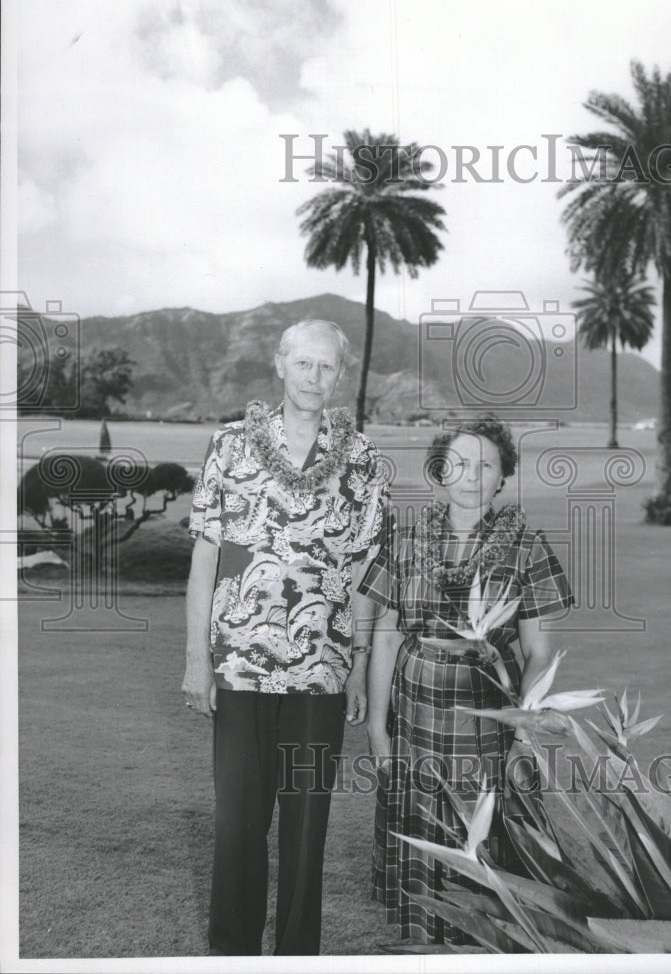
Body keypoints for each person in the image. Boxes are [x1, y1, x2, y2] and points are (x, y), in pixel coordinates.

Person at [181, 318, 387, 956]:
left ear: (339, 375)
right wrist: (196, 660)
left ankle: (299, 955)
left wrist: (354, 665)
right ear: (279, 364)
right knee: (238, 824)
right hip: (238, 666)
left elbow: (362, 574)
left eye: (327, 368)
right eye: (304, 364)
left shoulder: (362, 459)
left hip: (319, 673)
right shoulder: (231, 445)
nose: (315, 378)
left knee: (307, 827)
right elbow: (206, 558)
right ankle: (233, 951)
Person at [360, 415, 573, 945]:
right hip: (415, 719)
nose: (471, 476)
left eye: (485, 465)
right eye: (458, 463)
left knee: (487, 837)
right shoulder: (405, 540)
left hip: (491, 725)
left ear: (503, 476)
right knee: (424, 834)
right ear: (439, 471)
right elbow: (385, 637)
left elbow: (539, 651)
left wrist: (524, 732)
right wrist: (377, 728)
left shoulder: (527, 546)